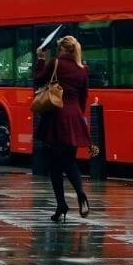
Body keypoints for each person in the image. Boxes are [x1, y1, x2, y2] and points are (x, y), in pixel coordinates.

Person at [33, 35, 91, 222]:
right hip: (74, 118)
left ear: (62, 49)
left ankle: (61, 205)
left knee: (54, 166)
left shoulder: (55, 63)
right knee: (70, 162)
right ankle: (81, 193)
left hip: (56, 118)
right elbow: (83, 98)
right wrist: (77, 118)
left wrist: (41, 59)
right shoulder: (83, 70)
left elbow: (38, 79)